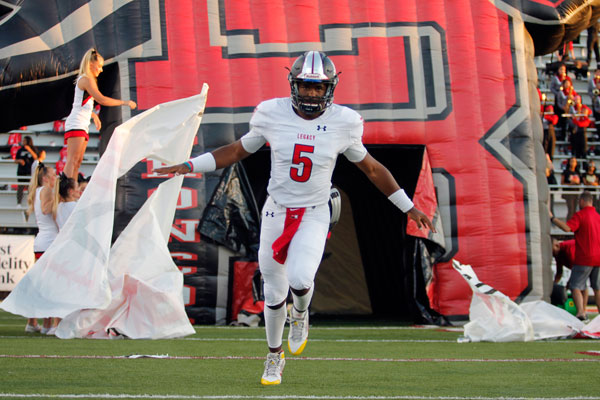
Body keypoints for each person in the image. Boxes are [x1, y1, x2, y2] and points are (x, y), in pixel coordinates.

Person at [153, 51, 435, 386]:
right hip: (277, 209)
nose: (312, 93)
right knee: (273, 292)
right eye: (306, 86)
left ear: (330, 88)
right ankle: (274, 357)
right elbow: (236, 151)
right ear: (293, 84)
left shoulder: (344, 122)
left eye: (319, 87)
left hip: (315, 211)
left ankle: (300, 314)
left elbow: (372, 169)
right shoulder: (272, 113)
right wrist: (188, 165)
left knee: (300, 280)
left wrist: (408, 206)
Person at [63, 48, 136, 180]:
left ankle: (71, 189)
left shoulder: (89, 80)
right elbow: (101, 99)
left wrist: (93, 115)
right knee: (72, 160)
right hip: (77, 123)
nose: (101, 70)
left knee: (78, 162)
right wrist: (124, 102)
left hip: (82, 123)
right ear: (91, 64)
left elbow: (81, 103)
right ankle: (65, 189)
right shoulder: (86, 79)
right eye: (99, 66)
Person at [551, 191, 600, 321]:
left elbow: (567, 228)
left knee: (575, 286)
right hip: (598, 257)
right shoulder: (598, 216)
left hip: (584, 257)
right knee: (597, 287)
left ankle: (580, 314)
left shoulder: (581, 215)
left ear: (582, 201)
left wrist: (553, 219)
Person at [24, 163, 58, 334]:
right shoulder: (46, 190)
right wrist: (59, 199)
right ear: (45, 178)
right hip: (49, 242)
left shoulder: (37, 190)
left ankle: (34, 322)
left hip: (43, 241)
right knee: (49, 285)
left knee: (42, 284)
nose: (56, 177)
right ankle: (47, 324)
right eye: (53, 175)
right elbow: (46, 210)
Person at [14, 136, 45, 207]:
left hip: (30, 171)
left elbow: (37, 158)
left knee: (30, 188)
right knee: (20, 187)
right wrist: (19, 161)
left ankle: (30, 203)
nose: (23, 142)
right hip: (21, 171)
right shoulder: (20, 150)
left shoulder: (34, 149)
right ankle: (19, 203)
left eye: (24, 140)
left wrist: (30, 150)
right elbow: (15, 160)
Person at [562, 156, 582, 221]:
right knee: (571, 209)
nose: (573, 163)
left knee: (574, 210)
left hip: (576, 192)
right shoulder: (566, 172)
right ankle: (569, 224)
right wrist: (570, 184)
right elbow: (562, 183)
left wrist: (577, 183)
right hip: (569, 193)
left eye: (574, 161)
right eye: (571, 161)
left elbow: (580, 182)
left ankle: (573, 224)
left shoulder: (578, 172)